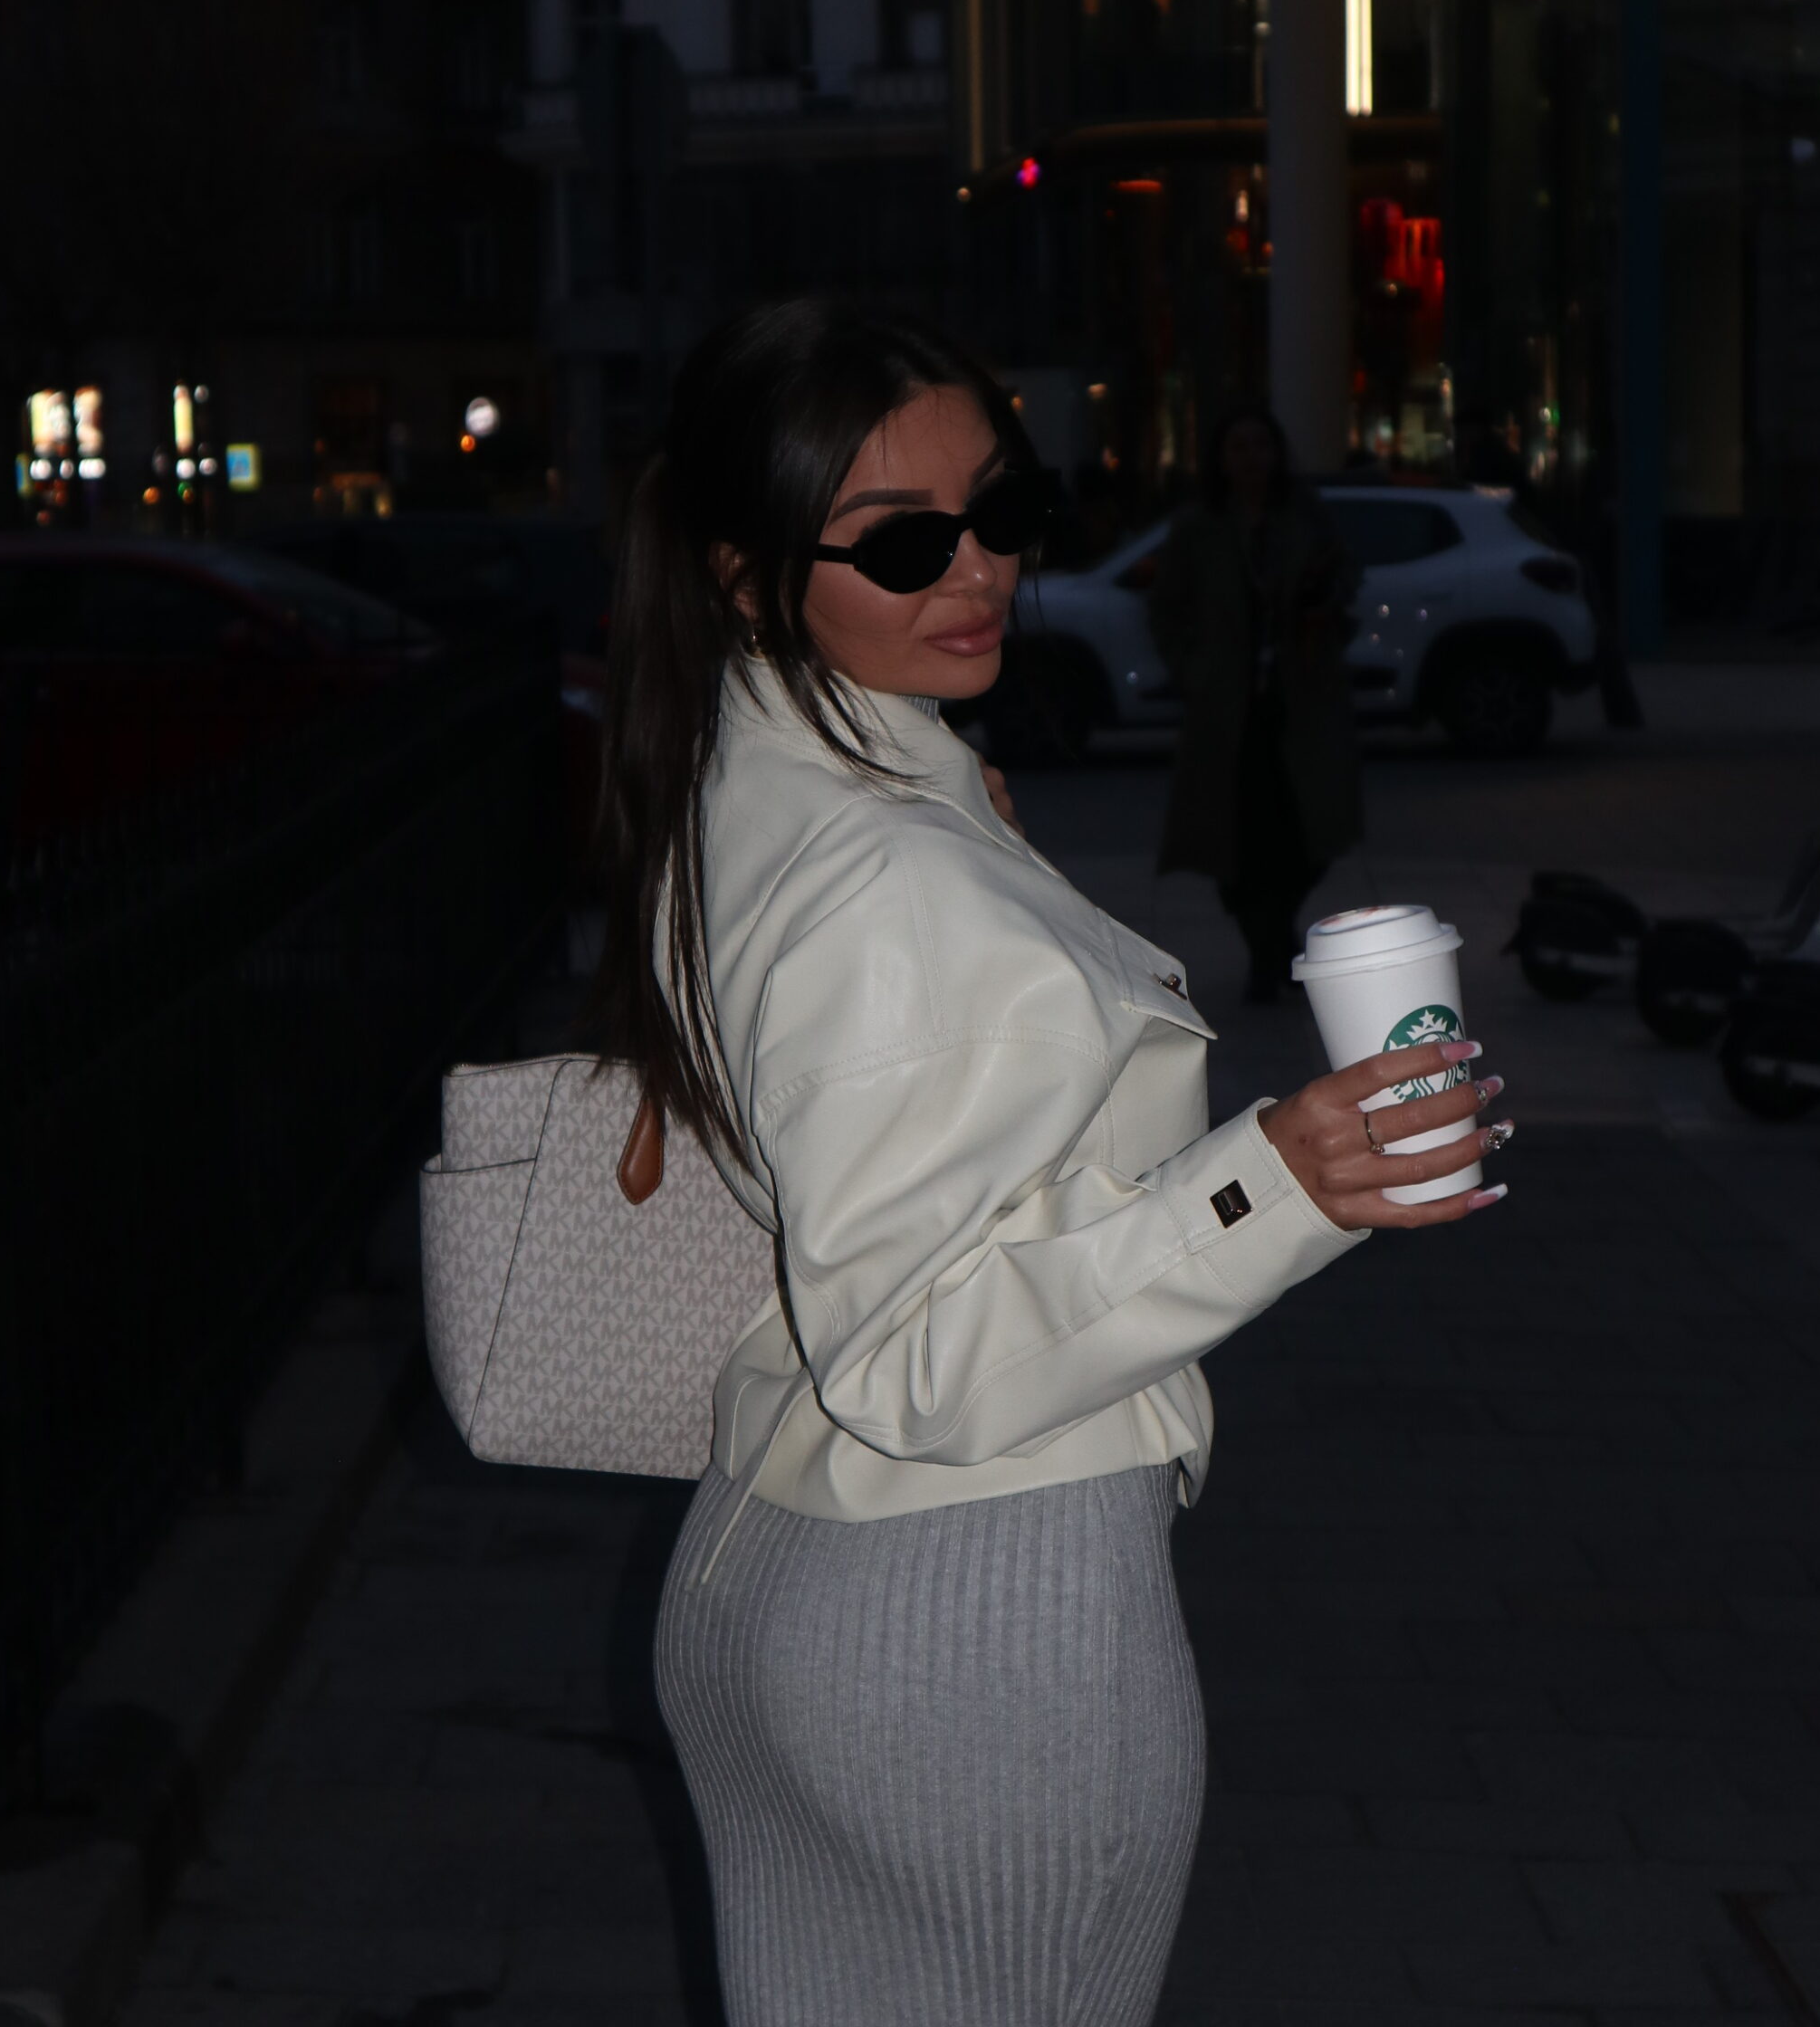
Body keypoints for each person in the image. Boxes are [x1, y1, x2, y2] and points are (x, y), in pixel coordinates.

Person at [588, 301, 1512, 2027]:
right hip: (974, 1628)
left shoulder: (753, 767)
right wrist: (1278, 1183)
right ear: (744, 574)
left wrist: (962, 820)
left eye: (1004, 510)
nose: (982, 571)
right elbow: (919, 1358)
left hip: (789, 1571)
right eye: (905, 543)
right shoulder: (885, 870)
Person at [1150, 410, 1365, 1001]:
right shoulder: (1199, 527)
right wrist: (1194, 670)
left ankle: (1276, 940)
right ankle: (1268, 955)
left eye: (1260, 445)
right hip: (1228, 712)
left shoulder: (1303, 516)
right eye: (1238, 447)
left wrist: (1324, 611)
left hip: (1301, 703)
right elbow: (1165, 609)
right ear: (1221, 458)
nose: (1250, 458)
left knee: (1306, 835)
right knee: (1236, 841)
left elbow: (1345, 576)